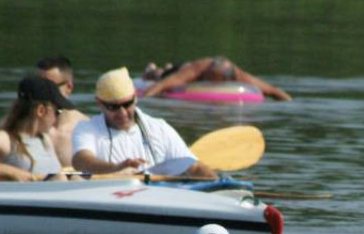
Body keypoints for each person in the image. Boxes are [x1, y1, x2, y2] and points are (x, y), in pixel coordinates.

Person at [72, 67, 217, 177]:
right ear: (99, 103)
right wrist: (117, 168)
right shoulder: (87, 129)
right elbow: (81, 161)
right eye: (113, 107)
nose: (122, 112)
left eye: (127, 104)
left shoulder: (159, 128)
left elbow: (194, 167)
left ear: (135, 98)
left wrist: (217, 183)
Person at [0, 76, 74, 181]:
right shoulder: (3, 139)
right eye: (58, 111)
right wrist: (11, 172)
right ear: (41, 111)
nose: (58, 117)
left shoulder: (46, 140)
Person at [139, 57, 292, 101]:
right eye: (211, 81)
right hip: (181, 69)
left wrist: (290, 104)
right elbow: (162, 85)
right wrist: (145, 98)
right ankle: (153, 70)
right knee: (160, 74)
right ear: (206, 75)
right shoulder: (196, 70)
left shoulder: (238, 74)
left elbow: (273, 91)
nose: (213, 86)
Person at [35, 56, 90, 167]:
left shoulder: (87, 129)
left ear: (69, 87)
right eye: (38, 86)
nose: (42, 93)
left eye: (50, 87)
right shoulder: (22, 125)